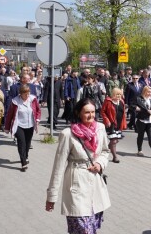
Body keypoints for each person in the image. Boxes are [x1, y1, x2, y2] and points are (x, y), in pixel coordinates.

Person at [45, 98, 111, 233]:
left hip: (95, 187)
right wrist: (52, 197)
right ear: (78, 113)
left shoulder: (100, 128)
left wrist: (100, 163)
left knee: (91, 229)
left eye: (93, 112)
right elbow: (58, 167)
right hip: (77, 187)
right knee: (83, 230)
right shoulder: (68, 134)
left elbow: (105, 151)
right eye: (87, 112)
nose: (91, 116)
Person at [4, 84, 41, 171]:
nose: (27, 96)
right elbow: (9, 115)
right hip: (19, 125)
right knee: (22, 143)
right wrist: (7, 127)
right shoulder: (15, 101)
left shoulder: (33, 99)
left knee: (28, 144)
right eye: (25, 94)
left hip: (30, 125)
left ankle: (26, 156)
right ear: (20, 93)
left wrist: (38, 119)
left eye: (28, 93)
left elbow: (38, 110)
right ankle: (23, 163)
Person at [100, 87, 127, 163]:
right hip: (111, 124)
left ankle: (106, 148)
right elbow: (103, 112)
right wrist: (106, 120)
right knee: (114, 141)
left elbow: (123, 114)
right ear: (113, 94)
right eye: (117, 94)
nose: (119, 96)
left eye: (120, 94)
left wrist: (124, 123)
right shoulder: (108, 101)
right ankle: (115, 157)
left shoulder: (121, 101)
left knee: (116, 140)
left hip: (119, 124)